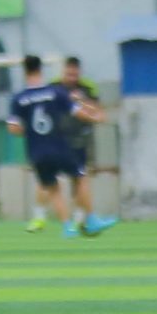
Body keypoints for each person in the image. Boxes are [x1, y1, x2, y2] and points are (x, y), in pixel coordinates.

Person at [8, 54, 108, 237]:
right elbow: (77, 112)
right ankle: (91, 219)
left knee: (53, 188)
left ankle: (67, 227)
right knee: (80, 177)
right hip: (59, 146)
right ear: (40, 69)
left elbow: (13, 128)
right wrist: (96, 118)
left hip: (37, 151)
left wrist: (29, 131)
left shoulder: (19, 98)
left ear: (25, 71)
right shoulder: (55, 92)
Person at [57, 56, 111, 234]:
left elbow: (100, 114)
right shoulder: (54, 87)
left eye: (75, 75)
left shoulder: (88, 88)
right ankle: (77, 220)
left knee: (80, 180)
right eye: (69, 74)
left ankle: (79, 219)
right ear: (63, 72)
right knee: (63, 180)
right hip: (59, 140)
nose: (72, 78)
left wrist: (82, 101)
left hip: (81, 141)